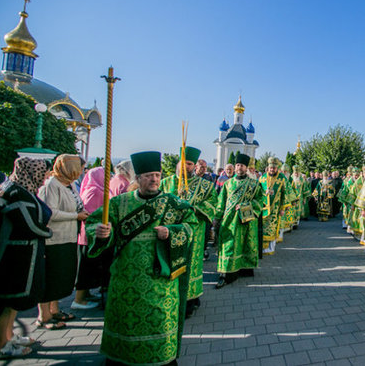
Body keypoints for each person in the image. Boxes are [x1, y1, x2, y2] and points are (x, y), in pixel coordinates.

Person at [86, 151, 196, 366]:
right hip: (125, 279)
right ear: (137, 178)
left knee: (159, 323)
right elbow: (94, 224)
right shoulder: (118, 203)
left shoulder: (173, 203)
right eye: (148, 175)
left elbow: (191, 227)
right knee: (125, 323)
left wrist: (172, 232)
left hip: (160, 281)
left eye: (157, 174)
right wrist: (100, 233)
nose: (154, 179)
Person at [0, 158, 51, 358]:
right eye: (44, 173)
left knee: (14, 301)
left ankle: (9, 335)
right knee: (8, 299)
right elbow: (28, 225)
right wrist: (46, 232)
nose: (46, 177)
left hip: (20, 253)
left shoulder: (20, 189)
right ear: (33, 172)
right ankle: (1, 343)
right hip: (11, 255)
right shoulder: (16, 194)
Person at [160, 146, 217, 317]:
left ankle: (190, 299)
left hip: (194, 233)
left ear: (194, 166)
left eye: (190, 164)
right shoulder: (166, 182)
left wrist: (195, 207)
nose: (186, 167)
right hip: (169, 234)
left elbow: (214, 204)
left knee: (192, 265)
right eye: (184, 163)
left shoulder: (205, 186)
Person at [36, 154, 88, 330]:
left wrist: (83, 213)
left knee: (60, 277)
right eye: (79, 168)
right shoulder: (51, 185)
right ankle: (44, 315)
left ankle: (55, 309)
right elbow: (50, 212)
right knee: (50, 277)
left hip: (69, 236)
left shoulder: (70, 185)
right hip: (54, 239)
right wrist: (76, 216)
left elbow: (76, 204)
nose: (81, 171)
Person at [214, 153, 264, 288]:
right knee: (229, 246)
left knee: (245, 244)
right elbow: (221, 202)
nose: (239, 167)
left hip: (246, 221)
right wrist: (217, 218)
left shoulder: (254, 184)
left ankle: (244, 269)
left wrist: (246, 207)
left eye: (241, 165)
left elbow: (261, 200)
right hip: (229, 222)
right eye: (237, 165)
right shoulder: (228, 183)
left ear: (246, 167)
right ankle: (226, 274)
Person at [74, 167, 108, 311]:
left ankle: (85, 294)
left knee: (88, 268)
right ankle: (79, 299)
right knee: (85, 269)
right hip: (90, 237)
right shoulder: (95, 191)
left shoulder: (92, 188)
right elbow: (92, 214)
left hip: (89, 236)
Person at [260, 157, 286, 255]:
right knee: (263, 228)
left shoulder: (281, 178)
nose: (272, 170)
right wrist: (264, 193)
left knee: (273, 228)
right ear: (268, 168)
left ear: (277, 168)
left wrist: (283, 207)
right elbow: (258, 191)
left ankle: (271, 248)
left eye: (274, 168)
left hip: (275, 208)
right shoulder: (262, 178)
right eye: (271, 168)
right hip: (264, 208)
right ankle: (262, 247)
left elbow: (285, 194)